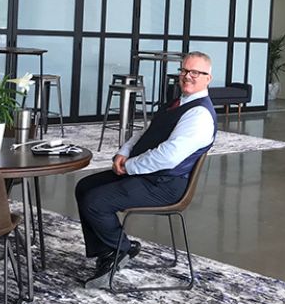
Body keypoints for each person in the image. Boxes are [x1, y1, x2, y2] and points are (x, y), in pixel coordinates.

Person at [75, 51, 217, 288]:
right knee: (85, 186)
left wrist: (130, 167)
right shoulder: (178, 102)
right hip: (147, 174)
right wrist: (125, 151)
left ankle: (120, 250)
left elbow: (168, 157)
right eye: (183, 71)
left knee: (95, 201)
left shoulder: (199, 115)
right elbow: (147, 132)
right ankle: (110, 251)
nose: (187, 76)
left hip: (165, 185)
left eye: (195, 72)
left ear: (207, 78)